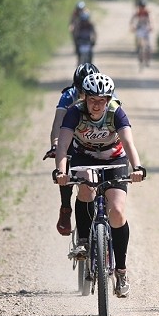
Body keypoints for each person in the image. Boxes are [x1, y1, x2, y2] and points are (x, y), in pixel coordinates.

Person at [54, 73, 146, 298]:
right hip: (84, 157)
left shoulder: (116, 111)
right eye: (92, 99)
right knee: (86, 186)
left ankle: (121, 271)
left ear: (108, 99)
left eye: (101, 100)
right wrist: (61, 171)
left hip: (115, 160)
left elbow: (128, 142)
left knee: (117, 211)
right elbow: (64, 145)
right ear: (84, 98)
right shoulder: (75, 112)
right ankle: (84, 240)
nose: (96, 105)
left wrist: (137, 167)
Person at [43, 62, 101, 235]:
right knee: (65, 162)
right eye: (82, 92)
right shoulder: (69, 95)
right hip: (73, 137)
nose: (85, 97)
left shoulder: (107, 93)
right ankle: (66, 208)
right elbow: (58, 123)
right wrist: (55, 143)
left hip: (99, 138)